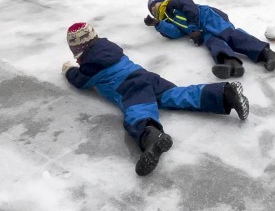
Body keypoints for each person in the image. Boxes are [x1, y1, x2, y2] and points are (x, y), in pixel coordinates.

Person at [62, 23, 250, 176]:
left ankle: (151, 137)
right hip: (147, 76)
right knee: (178, 95)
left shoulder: (89, 67)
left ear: (79, 51)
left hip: (129, 86)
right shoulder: (110, 49)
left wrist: (69, 69)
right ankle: (225, 93)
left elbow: (79, 81)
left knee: (137, 111)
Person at [144, 0, 275, 79]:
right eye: (152, 10)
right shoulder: (166, 20)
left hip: (208, 17)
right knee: (213, 43)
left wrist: (194, 28)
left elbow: (190, 7)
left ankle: (269, 54)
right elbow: (174, 32)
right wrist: (158, 24)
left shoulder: (173, 3)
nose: (154, 9)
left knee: (230, 36)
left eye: (155, 5)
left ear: (161, 1)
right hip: (201, 32)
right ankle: (231, 63)